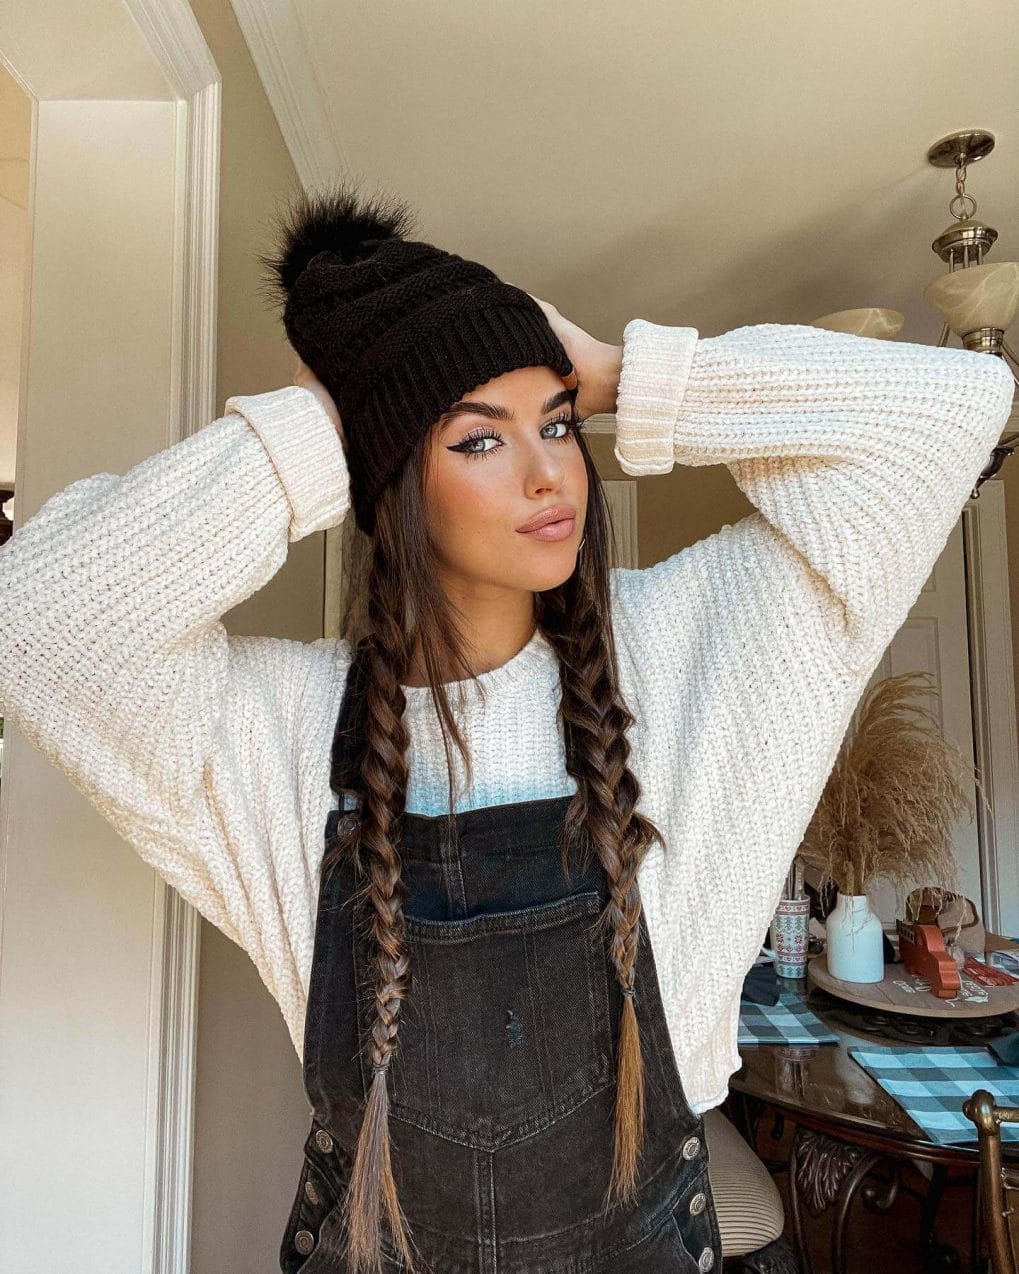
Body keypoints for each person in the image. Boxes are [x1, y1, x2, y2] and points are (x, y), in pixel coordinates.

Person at [0, 178, 1013, 1274]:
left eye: (560, 422)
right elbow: (38, 621)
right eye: (478, 440)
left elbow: (952, 410)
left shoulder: (692, 650)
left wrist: (624, 373)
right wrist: (327, 419)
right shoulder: (279, 728)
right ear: (387, 478)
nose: (550, 473)